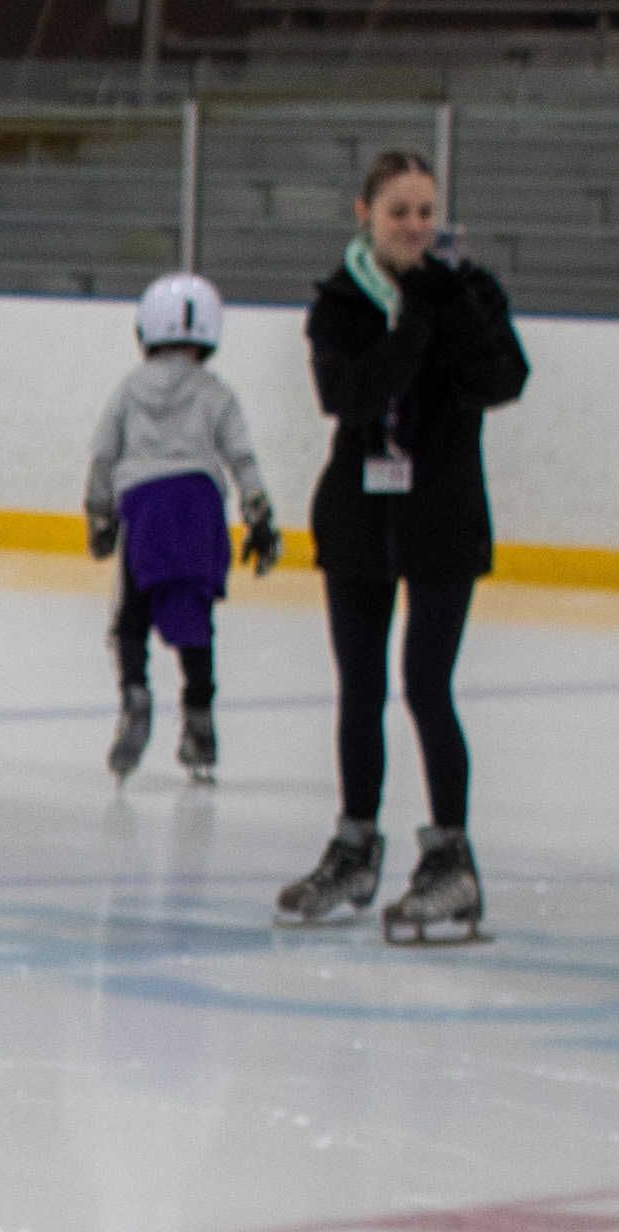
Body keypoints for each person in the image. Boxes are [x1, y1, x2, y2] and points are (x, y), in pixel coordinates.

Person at [279, 147, 529, 943]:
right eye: (399, 212)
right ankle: (355, 846)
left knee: (426, 683)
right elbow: (351, 395)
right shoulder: (340, 302)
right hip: (357, 516)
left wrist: (443, 308)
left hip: (443, 517)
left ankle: (451, 859)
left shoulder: (470, 291)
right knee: (359, 687)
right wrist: (415, 320)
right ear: (366, 214)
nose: (416, 226)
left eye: (426, 211)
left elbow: (503, 380)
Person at [84, 273, 278, 784]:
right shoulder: (215, 393)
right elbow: (240, 456)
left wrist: (99, 515)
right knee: (195, 618)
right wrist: (257, 512)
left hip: (145, 508)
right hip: (198, 509)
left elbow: (103, 453)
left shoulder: (129, 389)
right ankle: (199, 719)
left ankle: (135, 694)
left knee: (130, 618)